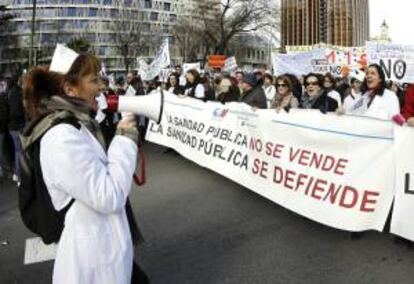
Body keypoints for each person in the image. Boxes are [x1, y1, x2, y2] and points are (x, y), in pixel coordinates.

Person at [21, 53, 147, 284]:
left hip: (102, 249)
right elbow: (108, 195)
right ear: (70, 89)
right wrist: (125, 139)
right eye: (93, 80)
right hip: (93, 259)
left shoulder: (76, 126)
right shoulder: (61, 136)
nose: (100, 87)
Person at [7, 75, 25, 184]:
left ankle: (17, 173)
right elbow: (16, 111)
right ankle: (18, 174)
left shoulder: (10, 93)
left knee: (17, 151)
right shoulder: (16, 93)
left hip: (12, 126)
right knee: (20, 151)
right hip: (17, 126)